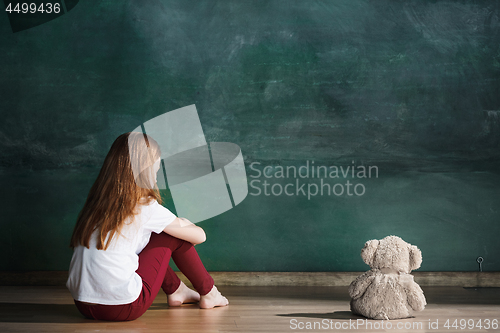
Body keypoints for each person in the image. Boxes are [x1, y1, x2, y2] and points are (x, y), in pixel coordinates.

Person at [66, 132, 228, 321]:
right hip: (123, 306)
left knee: (153, 234)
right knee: (170, 235)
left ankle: (177, 290)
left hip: (83, 304)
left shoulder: (96, 205)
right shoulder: (143, 206)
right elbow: (200, 237)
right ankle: (209, 292)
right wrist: (184, 222)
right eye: (155, 172)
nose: (156, 180)